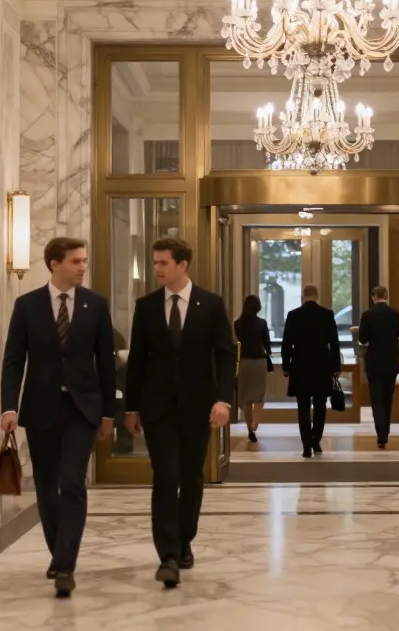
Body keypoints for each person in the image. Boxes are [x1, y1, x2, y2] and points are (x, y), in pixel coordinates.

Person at [0, 237, 116, 598]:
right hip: (41, 408)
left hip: (82, 408)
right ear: (55, 264)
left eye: (84, 260)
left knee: (73, 481)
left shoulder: (95, 305)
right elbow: (14, 360)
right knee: (48, 486)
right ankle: (57, 551)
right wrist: (9, 407)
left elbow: (106, 362)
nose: (83, 266)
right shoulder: (27, 305)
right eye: (76, 261)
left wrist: (109, 412)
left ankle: (66, 563)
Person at [124, 237, 235, 589]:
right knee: (165, 475)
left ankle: (185, 538)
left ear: (182, 265)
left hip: (197, 405)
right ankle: (167, 555)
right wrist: (131, 406)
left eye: (163, 263)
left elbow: (225, 355)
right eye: (154, 263)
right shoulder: (146, 306)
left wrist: (223, 400)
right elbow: (137, 359)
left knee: (190, 475)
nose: (157, 269)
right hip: (157, 408)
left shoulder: (211, 305)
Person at [281, 284, 341, 458]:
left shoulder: (293, 316)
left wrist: (286, 366)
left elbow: (286, 344)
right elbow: (334, 344)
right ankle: (316, 442)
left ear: (303, 296)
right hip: (322, 366)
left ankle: (306, 445)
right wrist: (336, 366)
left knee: (303, 406)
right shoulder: (327, 315)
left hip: (300, 366)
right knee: (321, 405)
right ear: (317, 296)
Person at [357, 285, 399, 449]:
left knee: (376, 399)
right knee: (388, 398)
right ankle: (386, 432)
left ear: (373, 297)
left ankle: (380, 435)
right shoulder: (395, 314)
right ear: (386, 296)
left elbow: (362, 339)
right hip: (390, 361)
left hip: (374, 361)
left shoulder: (367, 315)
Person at [234, 294, 274, 443]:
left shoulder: (237, 324)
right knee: (258, 396)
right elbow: (267, 344)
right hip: (259, 362)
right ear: (258, 307)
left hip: (244, 362)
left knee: (246, 399)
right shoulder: (262, 323)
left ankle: (249, 428)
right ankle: (255, 425)